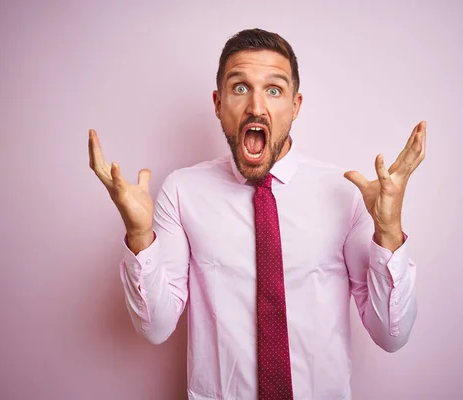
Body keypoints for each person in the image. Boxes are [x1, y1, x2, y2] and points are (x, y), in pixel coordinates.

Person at [88, 28, 425, 400]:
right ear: (217, 103)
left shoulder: (346, 193)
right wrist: (139, 235)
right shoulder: (183, 192)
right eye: (240, 88)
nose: (256, 107)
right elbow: (154, 328)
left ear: (295, 105)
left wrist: (389, 231)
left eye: (274, 90)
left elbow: (391, 335)